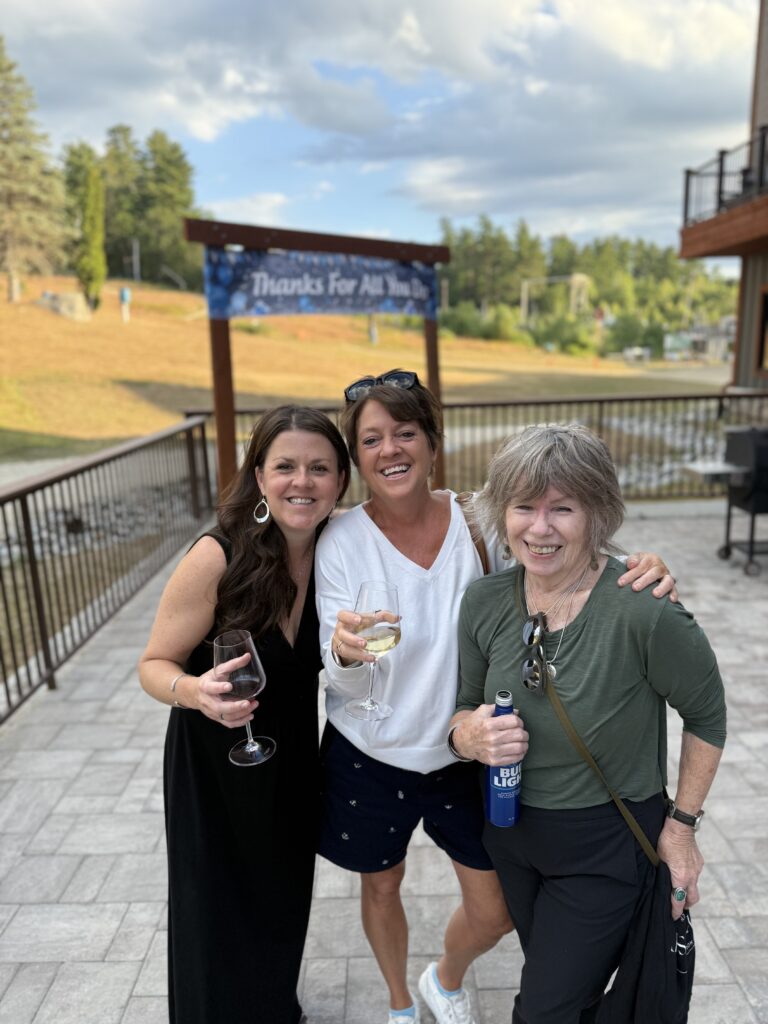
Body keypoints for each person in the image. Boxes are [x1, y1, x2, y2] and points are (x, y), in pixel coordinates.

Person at [315, 370, 677, 1024]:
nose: (390, 450)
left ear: (431, 441)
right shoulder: (339, 540)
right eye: (371, 439)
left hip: (469, 751)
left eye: (405, 432)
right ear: (356, 455)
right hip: (370, 753)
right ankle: (399, 1004)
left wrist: (636, 568)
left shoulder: (478, 520)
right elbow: (339, 675)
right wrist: (343, 655)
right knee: (381, 886)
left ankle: (443, 979)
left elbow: (562, 564)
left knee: (498, 908)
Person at [451, 423, 726, 1024]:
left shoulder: (643, 608)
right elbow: (463, 705)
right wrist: (466, 736)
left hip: (606, 844)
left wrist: (681, 828)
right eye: (524, 506)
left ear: (598, 513)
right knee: (564, 993)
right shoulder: (485, 602)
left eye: (563, 508)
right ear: (502, 511)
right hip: (511, 831)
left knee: (543, 1010)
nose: (540, 528)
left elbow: (707, 713)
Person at [138, 406, 350, 1024]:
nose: (301, 482)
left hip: (289, 761)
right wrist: (193, 690)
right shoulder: (217, 554)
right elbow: (152, 663)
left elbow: (434, 513)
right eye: (285, 466)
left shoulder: (340, 548)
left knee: (282, 901)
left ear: (340, 479)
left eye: (319, 467)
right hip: (213, 763)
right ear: (259, 476)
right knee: (214, 911)